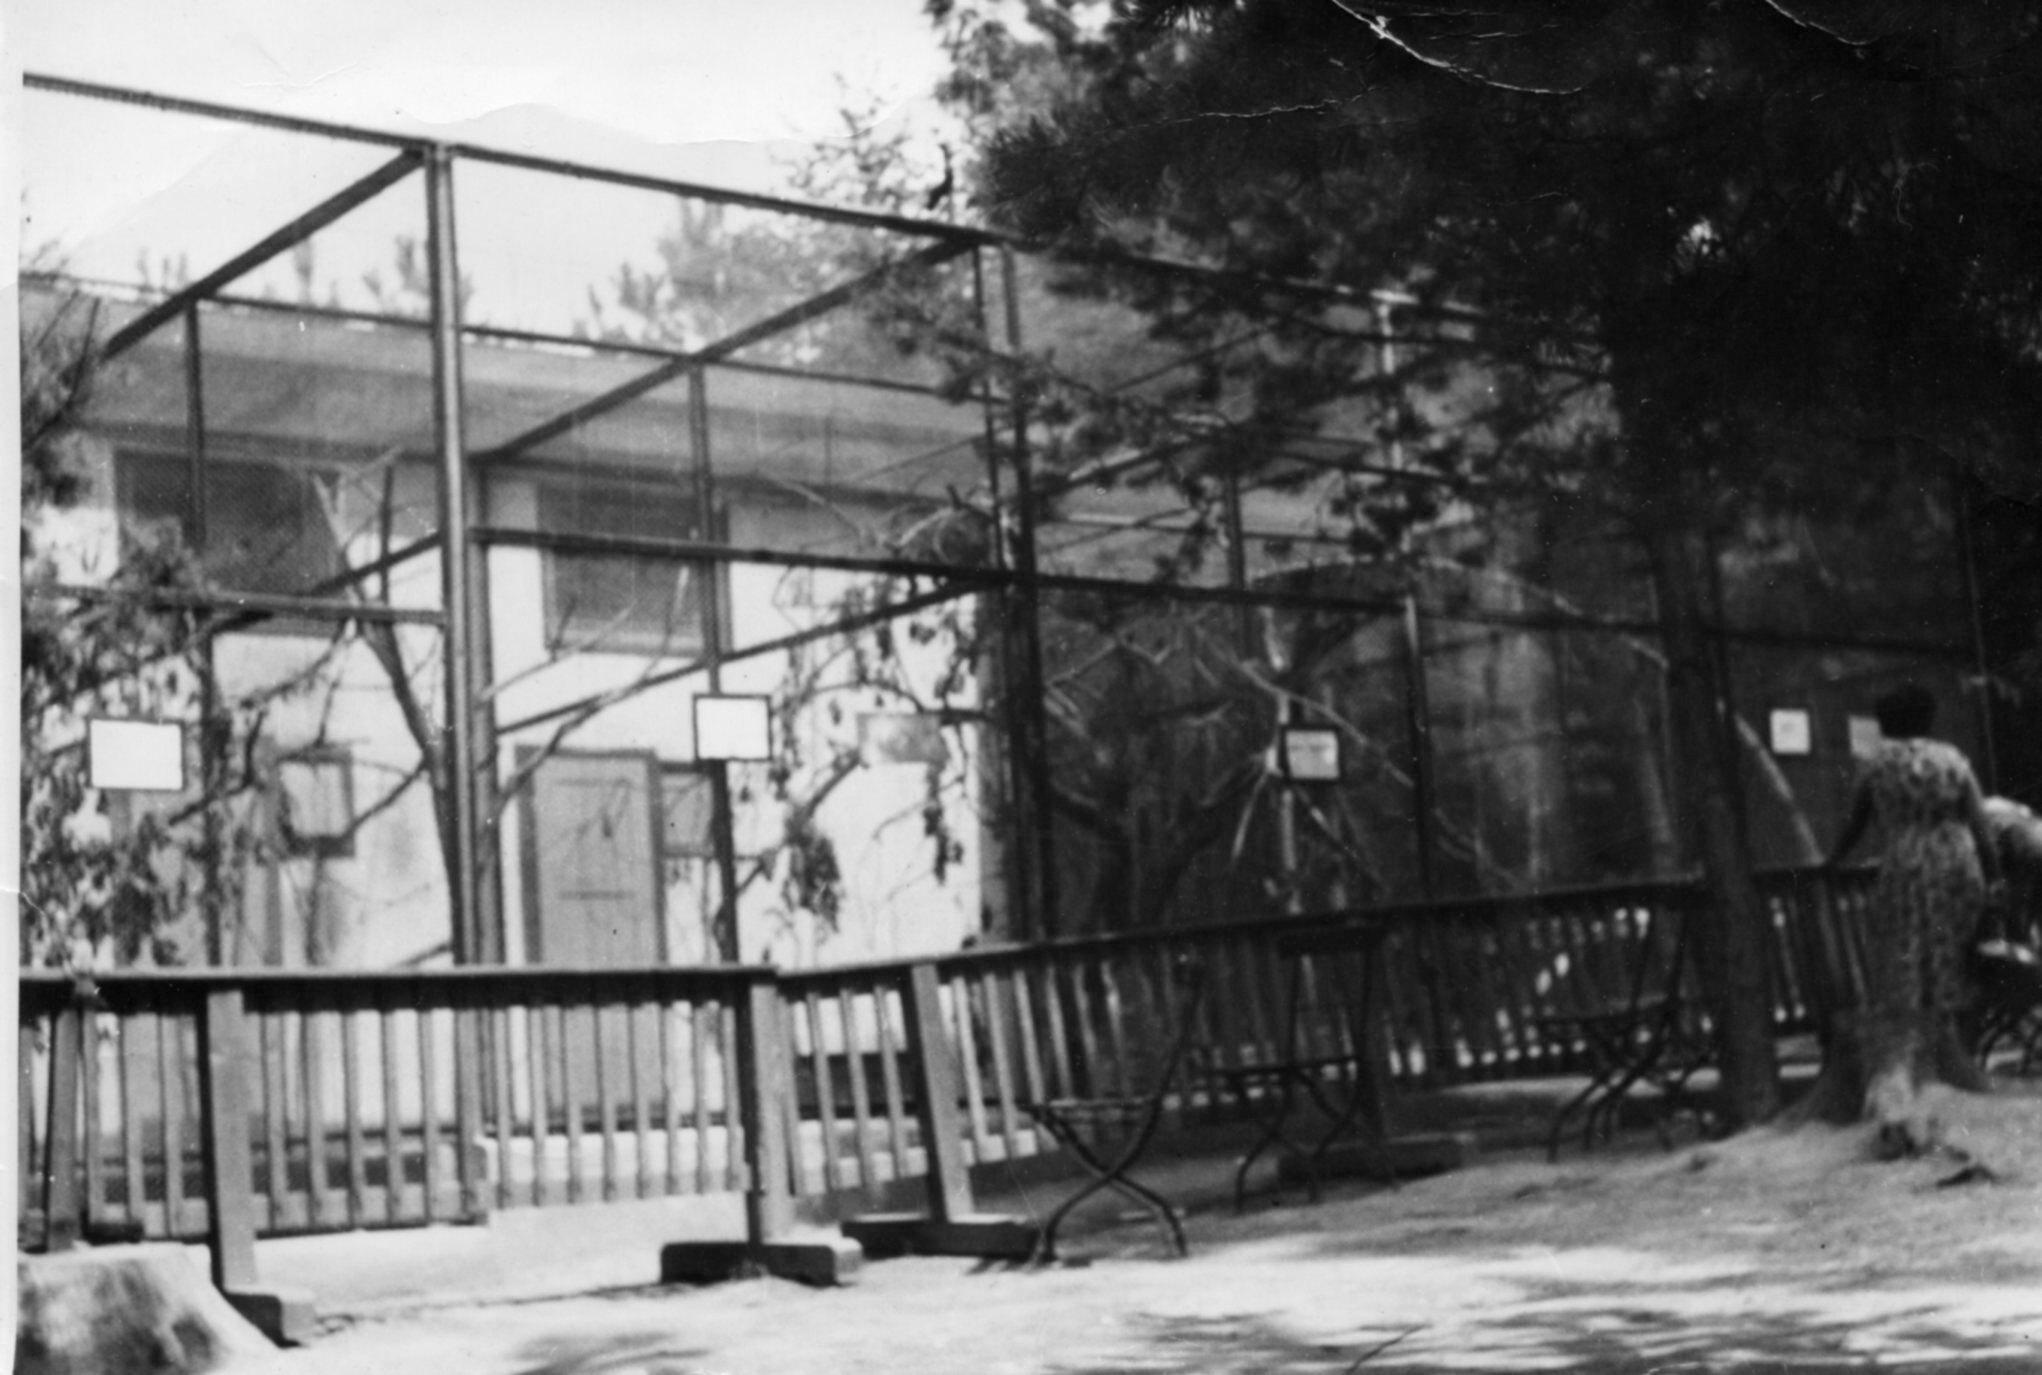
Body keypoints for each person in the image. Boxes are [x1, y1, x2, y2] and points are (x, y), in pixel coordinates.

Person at [1823, 684, 2004, 1024]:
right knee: (1957, 950)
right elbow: (1981, 826)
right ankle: (1959, 1034)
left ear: (1885, 723)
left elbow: (1854, 823)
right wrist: (1994, 877)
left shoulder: (1877, 765)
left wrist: (1833, 861)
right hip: (1956, 863)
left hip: (1904, 867)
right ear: (1927, 719)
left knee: (1910, 949)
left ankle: (1921, 1031)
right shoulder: (1951, 759)